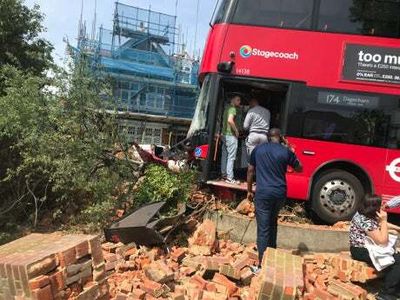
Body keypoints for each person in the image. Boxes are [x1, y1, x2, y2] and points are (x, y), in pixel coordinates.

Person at [247, 128, 302, 265]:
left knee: (263, 228)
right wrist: (291, 150)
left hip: (263, 193)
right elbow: (300, 168)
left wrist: (249, 190)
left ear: (268, 137)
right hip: (279, 193)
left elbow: (250, 170)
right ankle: (271, 256)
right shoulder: (286, 151)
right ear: (281, 137)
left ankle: (262, 263)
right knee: (272, 222)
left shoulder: (258, 150)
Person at [350, 194, 400, 300]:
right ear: (374, 207)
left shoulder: (365, 213)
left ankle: (396, 290)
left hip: (368, 246)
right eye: (381, 204)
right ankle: (386, 294)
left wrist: (397, 228)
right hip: (360, 250)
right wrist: (384, 220)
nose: (384, 206)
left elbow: (377, 223)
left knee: (397, 256)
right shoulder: (365, 220)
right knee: (396, 261)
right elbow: (382, 241)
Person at [221, 94, 241, 184]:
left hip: (224, 135)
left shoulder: (226, 108)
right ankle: (230, 178)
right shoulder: (233, 109)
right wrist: (236, 131)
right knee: (231, 157)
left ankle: (224, 174)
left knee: (225, 155)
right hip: (231, 135)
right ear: (232, 100)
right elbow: (230, 120)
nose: (239, 102)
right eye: (238, 100)